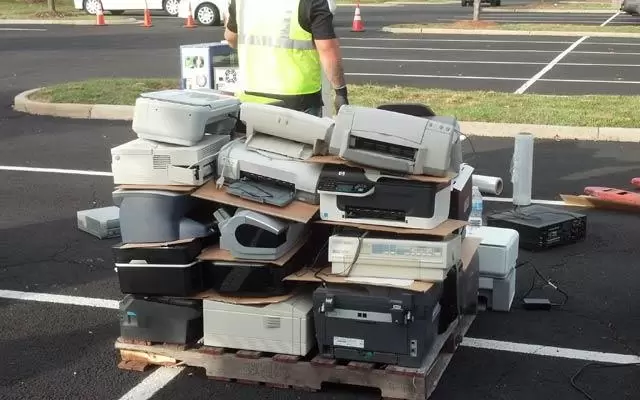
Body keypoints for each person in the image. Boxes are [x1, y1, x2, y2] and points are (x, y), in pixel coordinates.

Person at [224, 0, 349, 117]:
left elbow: (231, 38)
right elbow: (327, 50)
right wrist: (340, 93)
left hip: (252, 97)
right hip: (298, 101)